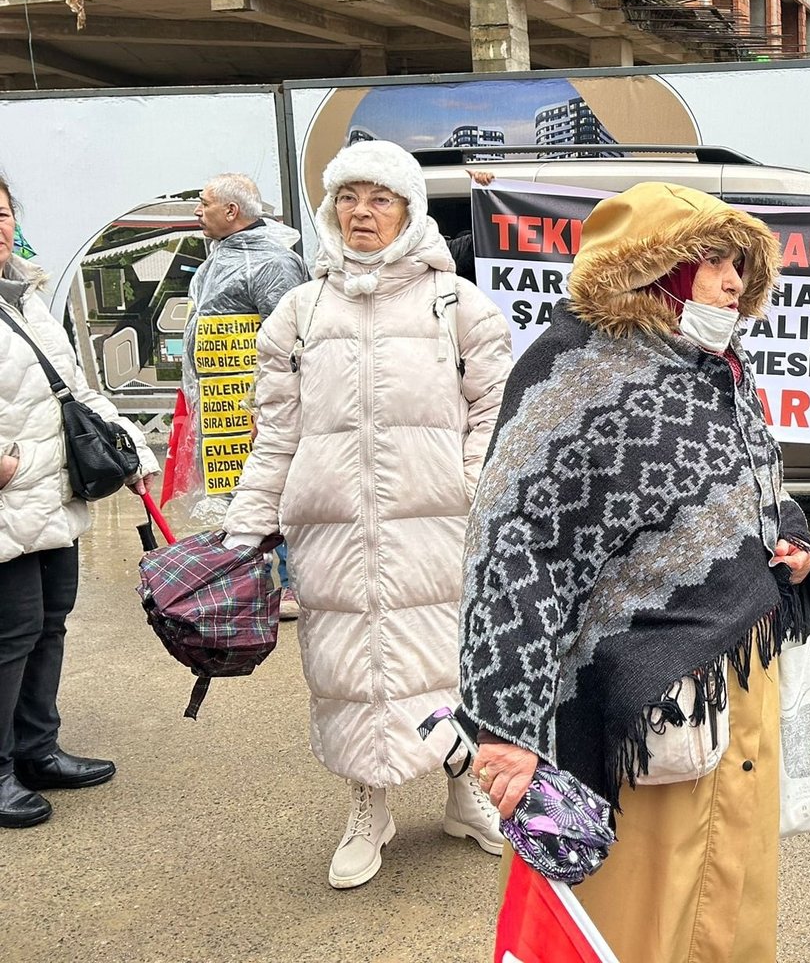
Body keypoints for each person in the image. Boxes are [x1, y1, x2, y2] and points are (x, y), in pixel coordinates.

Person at [455, 182, 810, 960]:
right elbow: (513, 554)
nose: (734, 282)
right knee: (635, 914)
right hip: (635, 706)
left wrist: (791, 543)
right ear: (654, 267)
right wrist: (508, 729)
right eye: (715, 260)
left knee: (729, 900)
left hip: (735, 686)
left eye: (741, 265)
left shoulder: (722, 367)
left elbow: (762, 484)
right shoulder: (570, 372)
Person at [224, 141, 512, 889]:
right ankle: (368, 806)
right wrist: (246, 527)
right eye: (349, 198)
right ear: (329, 210)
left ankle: (463, 790)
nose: (362, 213)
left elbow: (496, 409)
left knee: (451, 665)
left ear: (410, 211)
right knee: (349, 673)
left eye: (379, 199)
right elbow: (277, 429)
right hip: (331, 530)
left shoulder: (458, 305)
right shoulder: (300, 309)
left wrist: (470, 487)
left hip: (439, 527)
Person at [1, 173, 159, 829]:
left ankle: (37, 749)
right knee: (9, 634)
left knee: (50, 621)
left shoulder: (27, 295)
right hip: (8, 497)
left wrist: (131, 456)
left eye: (2, 212)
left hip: (53, 493)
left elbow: (75, 391)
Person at [185, 173, 307, 617]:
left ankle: (293, 584)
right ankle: (252, 581)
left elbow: (289, 343)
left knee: (278, 488)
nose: (197, 212)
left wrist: (265, 403)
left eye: (204, 203)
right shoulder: (214, 261)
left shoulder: (272, 263)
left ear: (231, 212)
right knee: (242, 494)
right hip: (222, 406)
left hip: (261, 408)